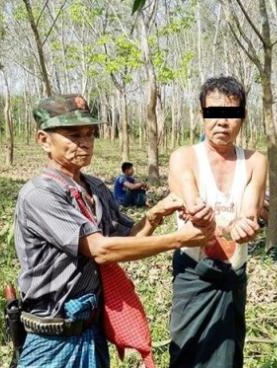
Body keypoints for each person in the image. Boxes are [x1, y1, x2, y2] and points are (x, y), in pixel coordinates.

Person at [13, 94, 215, 368]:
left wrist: (153, 216)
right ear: (44, 140)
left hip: (90, 330)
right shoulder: (40, 195)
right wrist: (179, 239)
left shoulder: (94, 188)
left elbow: (124, 241)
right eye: (73, 135)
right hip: (52, 337)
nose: (85, 142)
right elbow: (101, 250)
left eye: (90, 134)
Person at [167, 76, 267, 368]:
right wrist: (213, 222)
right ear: (201, 116)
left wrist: (244, 225)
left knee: (227, 356)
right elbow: (191, 201)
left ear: (243, 118)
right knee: (186, 353)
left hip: (232, 276)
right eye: (213, 113)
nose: (222, 122)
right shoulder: (184, 158)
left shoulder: (254, 161)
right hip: (193, 275)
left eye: (231, 114)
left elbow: (250, 212)